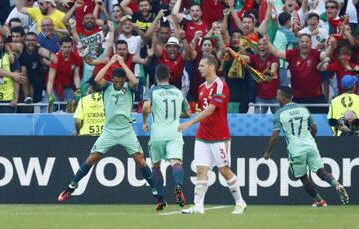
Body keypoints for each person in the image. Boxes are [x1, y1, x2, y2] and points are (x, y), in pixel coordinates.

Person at [58, 54, 156, 202]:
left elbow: (135, 81)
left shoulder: (128, 88)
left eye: (120, 81)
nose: (117, 84)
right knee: (91, 159)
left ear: (123, 80)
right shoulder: (107, 87)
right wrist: (110, 62)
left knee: (141, 161)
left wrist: (122, 63)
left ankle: (155, 192)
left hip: (126, 131)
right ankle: (71, 186)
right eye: (115, 81)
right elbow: (97, 79)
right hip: (109, 130)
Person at [178, 54, 247, 214]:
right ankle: (198, 206)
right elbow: (203, 110)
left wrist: (189, 123)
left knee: (224, 170)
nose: (199, 68)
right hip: (203, 135)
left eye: (202, 65)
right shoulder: (202, 87)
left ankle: (240, 202)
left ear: (211, 67)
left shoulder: (221, 85)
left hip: (219, 136)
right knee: (201, 170)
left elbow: (210, 110)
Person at [264, 86, 349, 207]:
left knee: (304, 178)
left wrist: (268, 152)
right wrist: (311, 140)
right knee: (321, 172)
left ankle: (320, 201)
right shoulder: (303, 109)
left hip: (295, 149)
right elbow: (314, 128)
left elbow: (275, 136)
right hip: (310, 145)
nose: (276, 97)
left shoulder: (280, 113)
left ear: (283, 97)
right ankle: (336, 184)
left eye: (278, 95)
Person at [142, 64, 191, 211]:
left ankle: (161, 199)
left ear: (156, 77)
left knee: (156, 165)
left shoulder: (152, 91)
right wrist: (176, 115)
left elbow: (145, 108)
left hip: (157, 133)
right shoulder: (178, 92)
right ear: (169, 76)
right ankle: (178, 186)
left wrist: (145, 122)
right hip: (174, 132)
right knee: (176, 163)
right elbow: (188, 113)